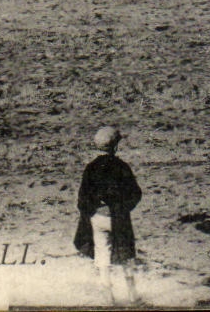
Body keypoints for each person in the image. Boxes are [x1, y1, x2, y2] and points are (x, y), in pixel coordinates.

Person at [74, 126, 141, 304]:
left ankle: (108, 298)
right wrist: (123, 209)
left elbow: (82, 199)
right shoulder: (122, 167)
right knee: (126, 255)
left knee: (102, 257)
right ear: (115, 146)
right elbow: (135, 194)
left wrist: (93, 211)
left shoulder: (91, 168)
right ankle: (133, 296)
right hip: (118, 218)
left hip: (98, 218)